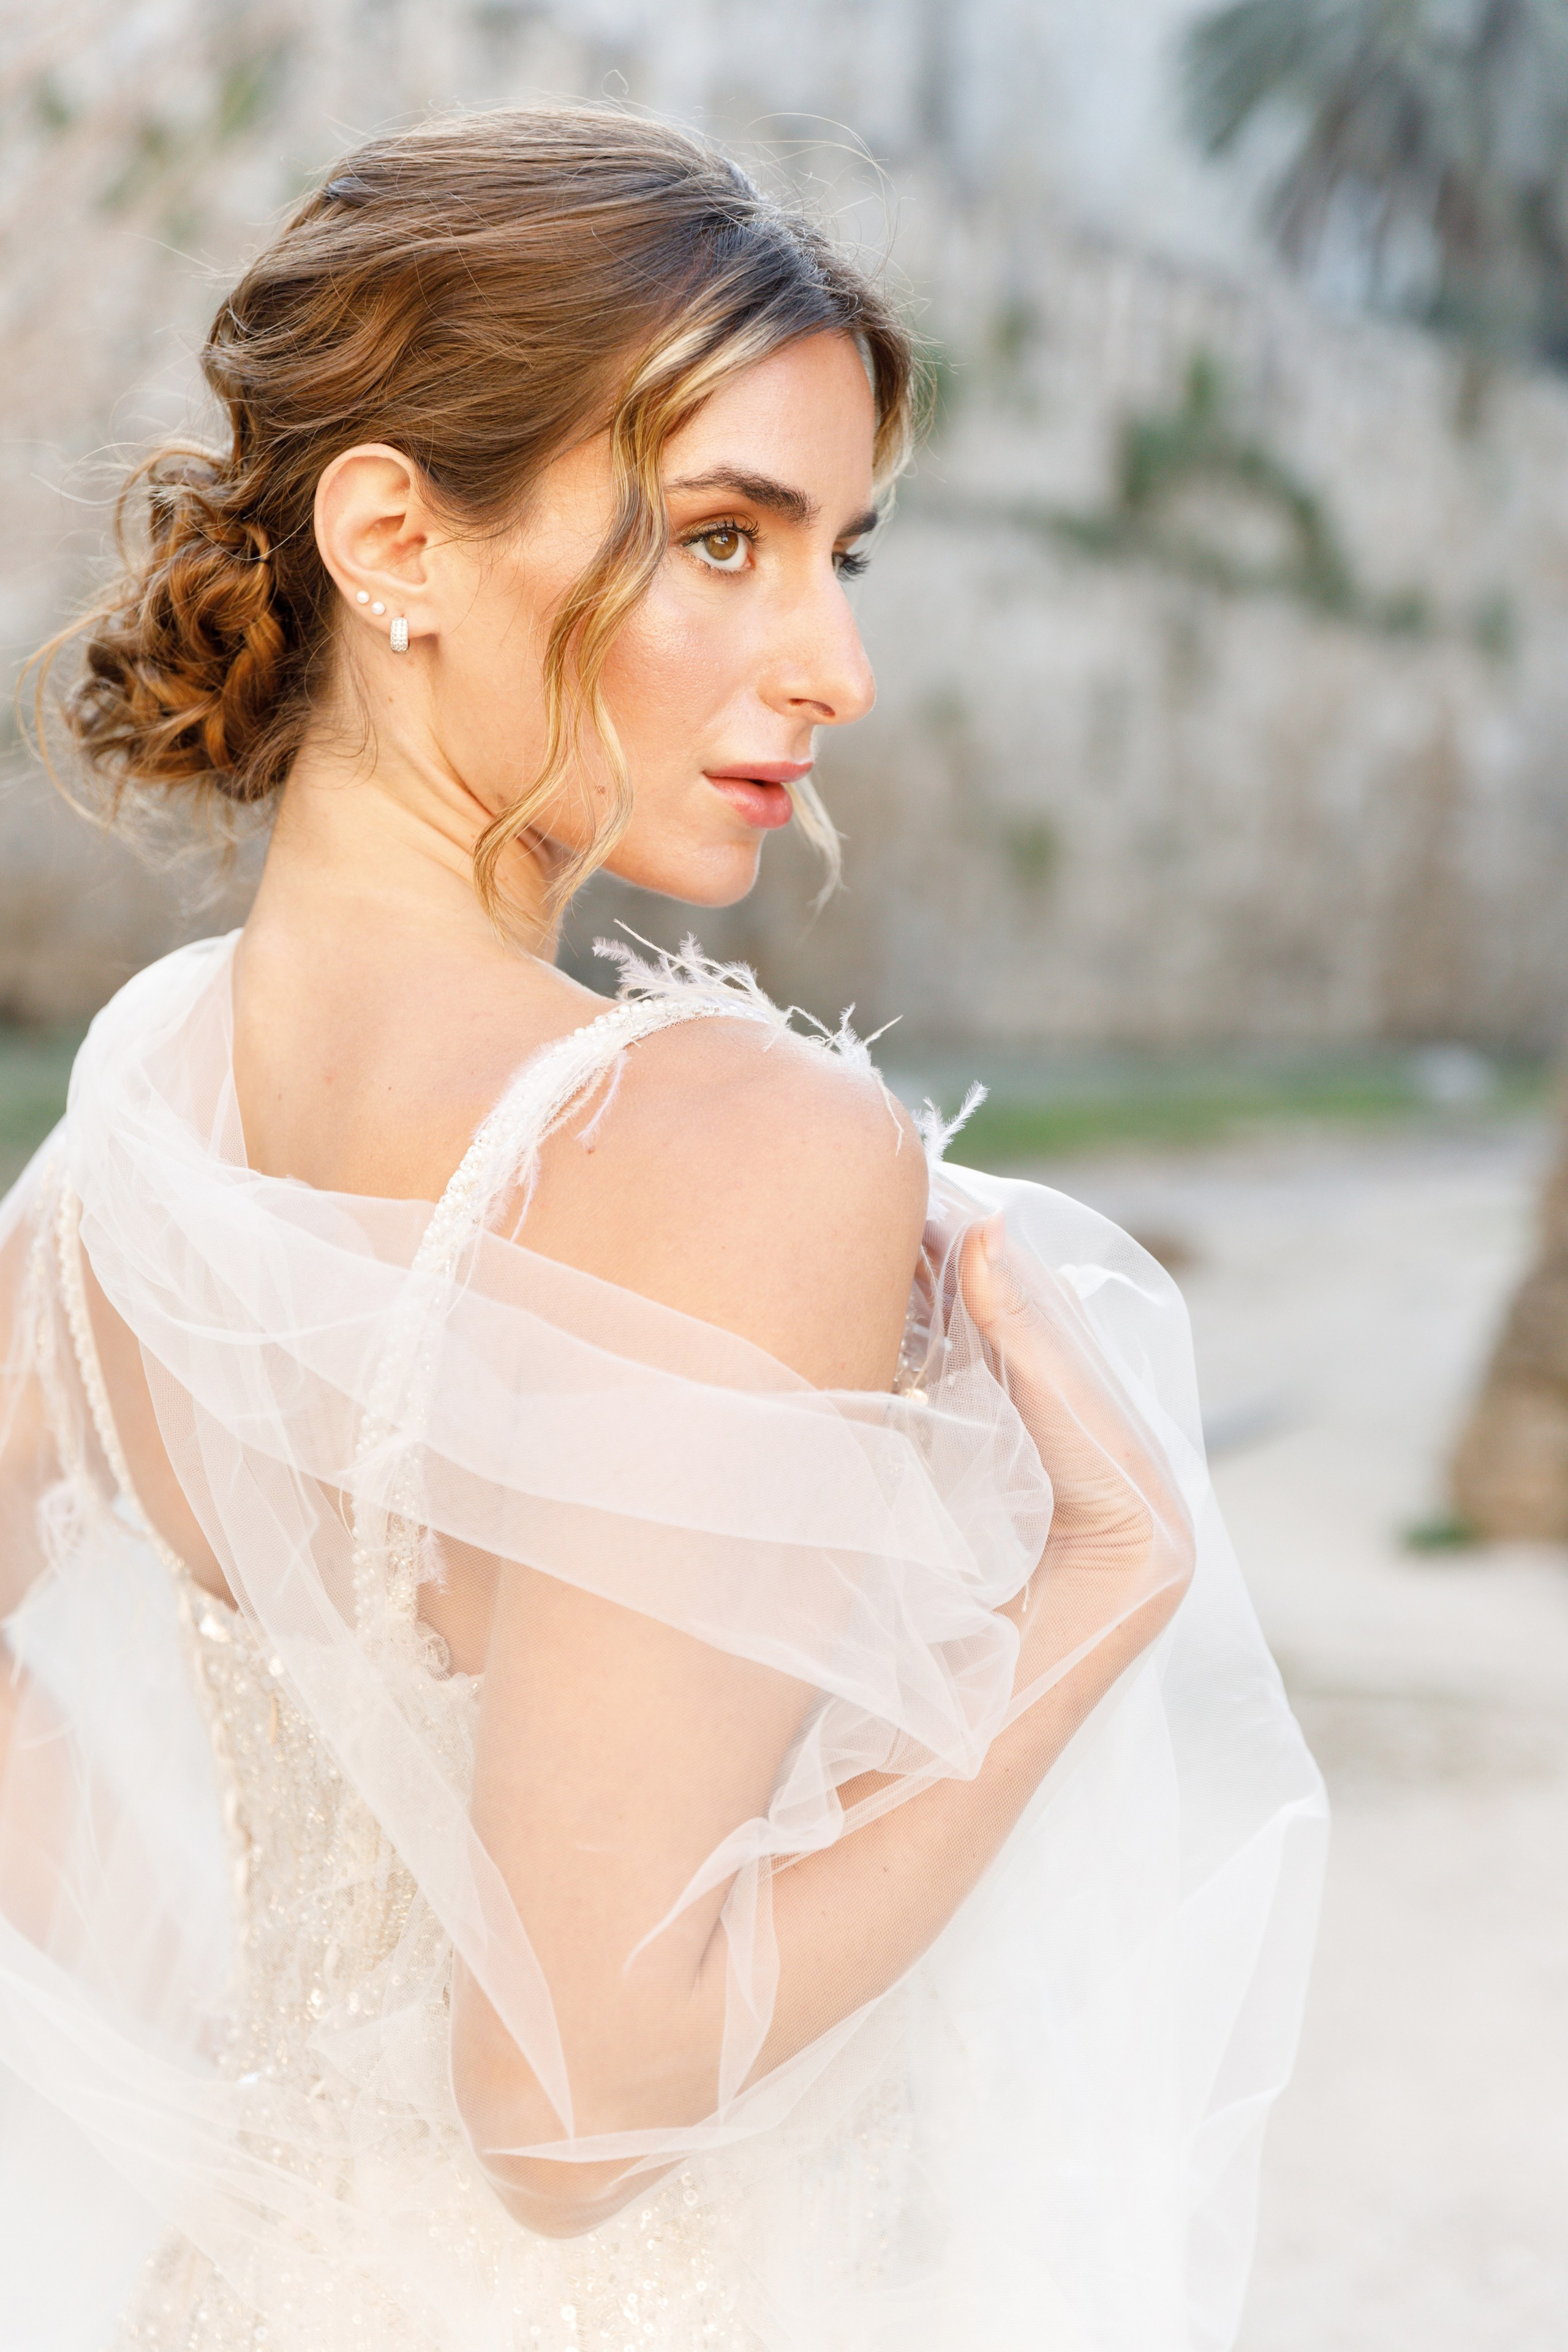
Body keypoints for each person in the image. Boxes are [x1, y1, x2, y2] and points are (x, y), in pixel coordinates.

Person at [0, 106, 1325, 2352]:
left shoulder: (144, 1109)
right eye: (724, 539)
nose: (834, 666)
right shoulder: (732, 1150)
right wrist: (1102, 1590)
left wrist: (229, 2075)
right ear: (394, 538)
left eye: (841, 556)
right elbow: (574, 2112)